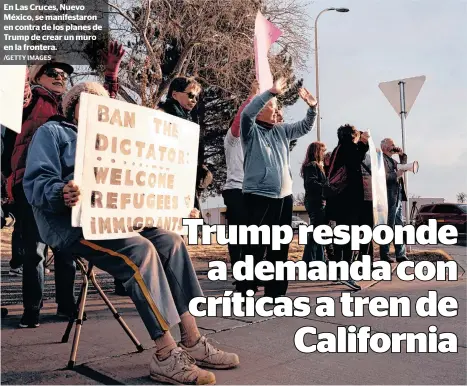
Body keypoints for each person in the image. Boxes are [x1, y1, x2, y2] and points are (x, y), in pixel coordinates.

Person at [23, 82, 239, 385]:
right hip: (72, 223)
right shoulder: (53, 133)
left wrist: (173, 204)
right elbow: (35, 182)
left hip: (120, 220)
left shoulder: (114, 140)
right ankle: (165, 354)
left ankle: (192, 339)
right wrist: (61, 192)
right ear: (73, 108)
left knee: (171, 243)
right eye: (89, 103)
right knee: (141, 251)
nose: (99, 111)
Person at [10, 43, 124, 328]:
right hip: (30, 183)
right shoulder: (32, 101)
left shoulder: (73, 116)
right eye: (52, 72)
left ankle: (66, 305)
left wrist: (111, 74)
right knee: (34, 251)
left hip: (70, 186)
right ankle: (32, 309)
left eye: (64, 73)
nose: (60, 76)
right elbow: (17, 94)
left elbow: (100, 107)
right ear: (37, 77)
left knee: (65, 250)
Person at [238, 78, 317, 298]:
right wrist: (270, 92)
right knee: (255, 246)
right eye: (272, 108)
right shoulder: (250, 132)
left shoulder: (281, 131)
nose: (276, 112)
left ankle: (275, 293)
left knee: (279, 247)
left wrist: (312, 108)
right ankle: (246, 287)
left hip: (284, 198)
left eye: (276, 108)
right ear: (261, 111)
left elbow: (305, 127)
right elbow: (246, 114)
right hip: (258, 196)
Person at [158, 77, 213, 220]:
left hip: (183, 179)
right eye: (190, 94)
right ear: (175, 94)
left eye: (196, 96)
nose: (194, 99)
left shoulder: (189, 119)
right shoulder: (161, 114)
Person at [326, 125, 370, 290]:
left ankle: (338, 272)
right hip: (349, 202)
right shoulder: (348, 147)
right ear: (352, 136)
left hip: (338, 201)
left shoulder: (338, 149)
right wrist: (364, 143)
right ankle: (346, 274)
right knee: (349, 237)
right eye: (357, 135)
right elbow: (356, 160)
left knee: (340, 236)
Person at [222, 81, 259, 268]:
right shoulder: (232, 139)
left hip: (251, 191)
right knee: (239, 235)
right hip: (236, 191)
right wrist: (252, 97)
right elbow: (240, 119)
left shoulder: (250, 144)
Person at [380, 138, 409, 263]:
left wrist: (402, 156)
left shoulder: (393, 160)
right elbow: (382, 177)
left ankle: (400, 254)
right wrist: (396, 175)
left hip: (397, 197)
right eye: (392, 145)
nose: (394, 147)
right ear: (385, 147)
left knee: (398, 226)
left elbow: (403, 167)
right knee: (388, 226)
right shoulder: (381, 160)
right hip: (389, 197)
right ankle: (384, 254)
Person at [301, 142, 328, 262]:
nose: (324, 153)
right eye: (322, 151)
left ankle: (318, 259)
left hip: (314, 201)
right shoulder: (312, 166)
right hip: (315, 201)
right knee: (316, 232)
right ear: (317, 152)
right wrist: (327, 187)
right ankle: (310, 260)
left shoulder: (312, 165)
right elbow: (311, 184)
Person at [358, 152, 374, 262]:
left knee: (364, 231)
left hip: (362, 198)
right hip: (368, 198)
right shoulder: (370, 158)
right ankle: (367, 259)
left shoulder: (369, 157)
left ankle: (365, 258)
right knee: (366, 231)